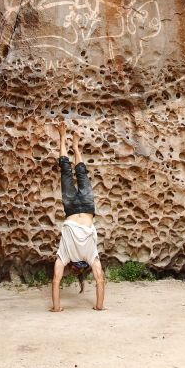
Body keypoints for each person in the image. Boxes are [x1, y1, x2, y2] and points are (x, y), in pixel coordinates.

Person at [50, 121, 106, 312]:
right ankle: (74, 145)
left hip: (73, 209)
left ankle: (63, 138)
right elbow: (100, 280)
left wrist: (57, 307)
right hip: (86, 206)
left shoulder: (65, 256)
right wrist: (99, 306)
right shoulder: (91, 257)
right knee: (79, 172)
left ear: (73, 268)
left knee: (67, 171)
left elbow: (57, 280)